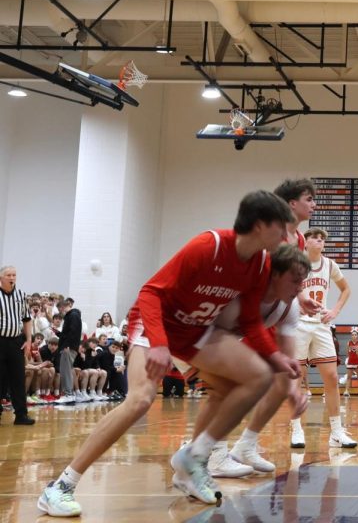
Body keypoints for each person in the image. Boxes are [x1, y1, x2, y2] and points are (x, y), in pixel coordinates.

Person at [38, 191, 302, 517]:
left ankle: (194, 459)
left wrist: (275, 356)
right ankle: (61, 486)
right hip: (155, 325)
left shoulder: (260, 263)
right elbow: (150, 292)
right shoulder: (209, 246)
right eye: (282, 228)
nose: (288, 237)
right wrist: (160, 343)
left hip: (195, 332)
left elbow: (249, 318)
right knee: (140, 400)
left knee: (256, 376)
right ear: (261, 225)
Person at [187, 244, 313, 478]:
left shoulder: (289, 307)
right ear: (275, 274)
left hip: (213, 338)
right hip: (187, 333)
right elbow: (247, 330)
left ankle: (198, 456)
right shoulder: (242, 292)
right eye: (295, 281)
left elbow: (284, 356)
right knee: (231, 386)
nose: (299, 289)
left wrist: (293, 391)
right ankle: (206, 455)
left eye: (302, 282)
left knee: (238, 386)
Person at [290, 225, 357, 450]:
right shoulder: (295, 263)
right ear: (305, 242)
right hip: (298, 324)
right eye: (315, 238)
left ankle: (336, 432)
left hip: (321, 324)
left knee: (330, 377)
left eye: (322, 239)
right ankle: (296, 429)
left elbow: (346, 290)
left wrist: (335, 311)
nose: (320, 241)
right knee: (296, 378)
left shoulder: (329, 264)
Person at [0, 265, 35, 426]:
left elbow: (27, 319)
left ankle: (21, 415)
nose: (12, 278)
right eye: (8, 275)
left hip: (16, 342)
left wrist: (28, 340)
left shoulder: (21, 295)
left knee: (18, 379)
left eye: (14, 275)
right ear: (1, 277)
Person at [56, 298, 83, 402]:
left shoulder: (73, 315)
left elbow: (73, 332)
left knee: (65, 371)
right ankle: (69, 393)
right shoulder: (72, 316)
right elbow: (68, 333)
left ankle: (69, 394)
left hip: (68, 347)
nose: (60, 313)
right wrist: (58, 333)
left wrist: (66, 345)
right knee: (66, 370)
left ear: (62, 307)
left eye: (59, 310)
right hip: (69, 346)